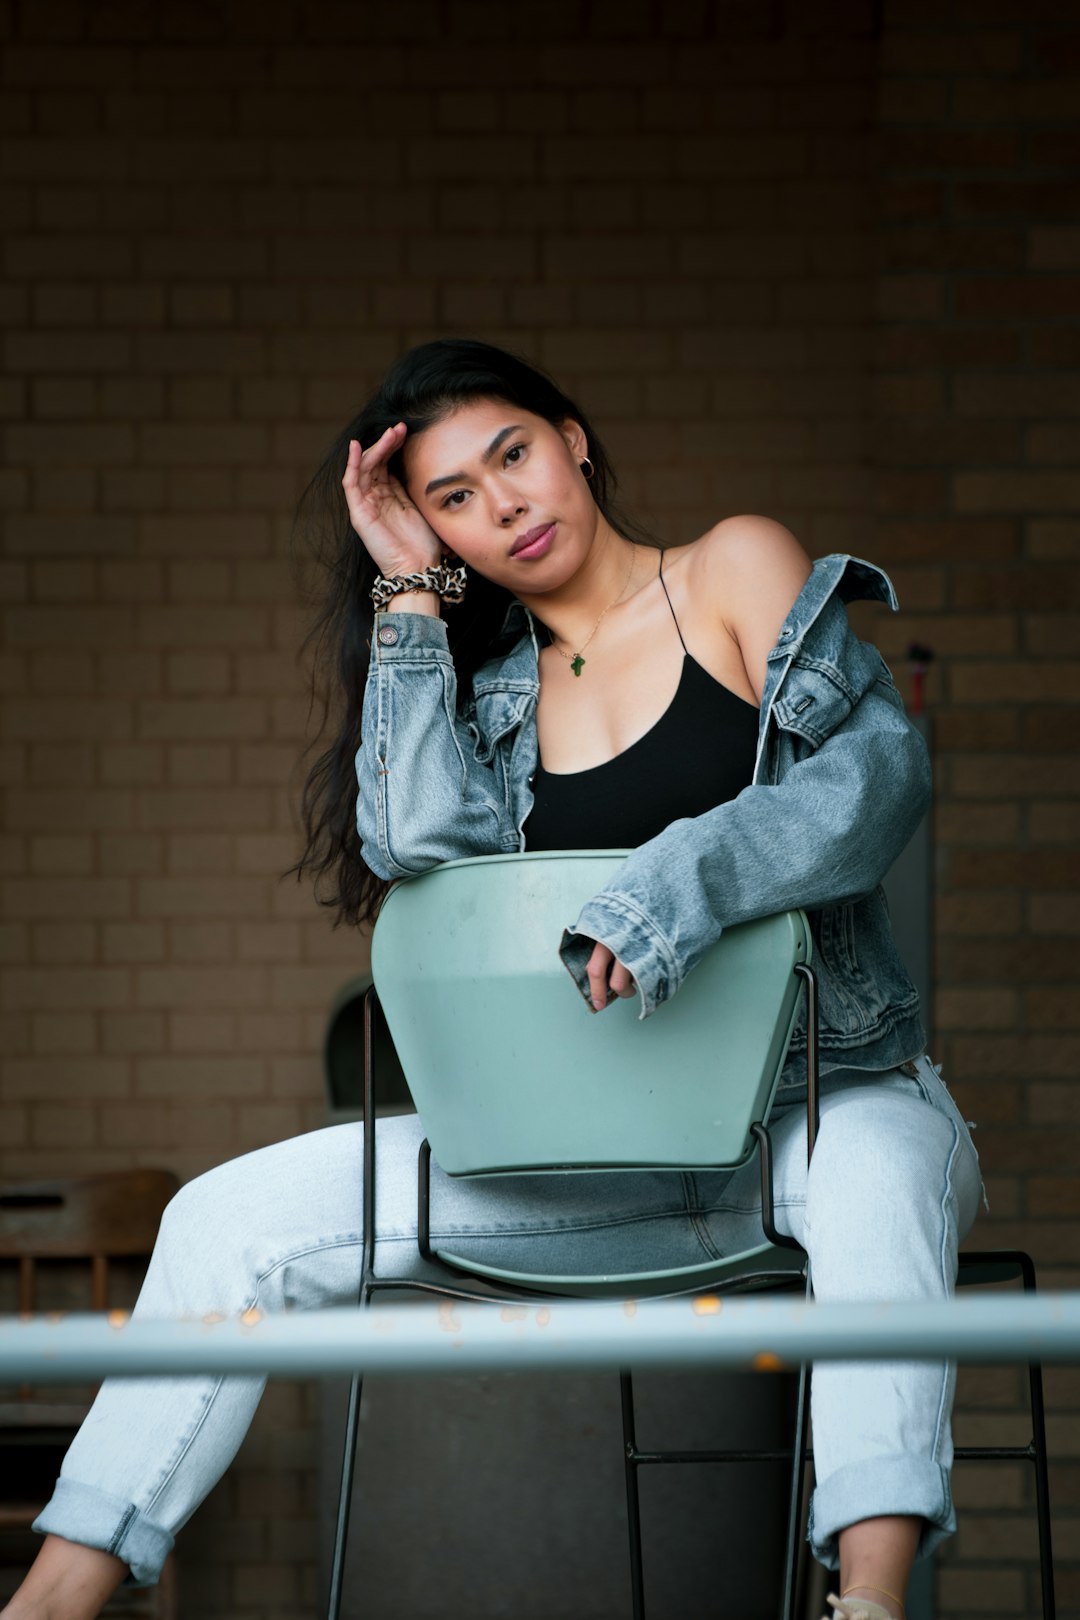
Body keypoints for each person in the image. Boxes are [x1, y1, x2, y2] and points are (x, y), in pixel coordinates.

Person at [6, 340, 983, 1620]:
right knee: (217, 1220)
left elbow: (874, 780)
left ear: (572, 438)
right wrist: (408, 598)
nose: (502, 504)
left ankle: (871, 1602)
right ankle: (50, 1604)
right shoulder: (489, 693)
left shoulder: (731, 567)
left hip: (818, 1109)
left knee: (880, 1175)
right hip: (591, 1160)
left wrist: (667, 887)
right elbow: (417, 851)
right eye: (455, 497)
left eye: (511, 456)